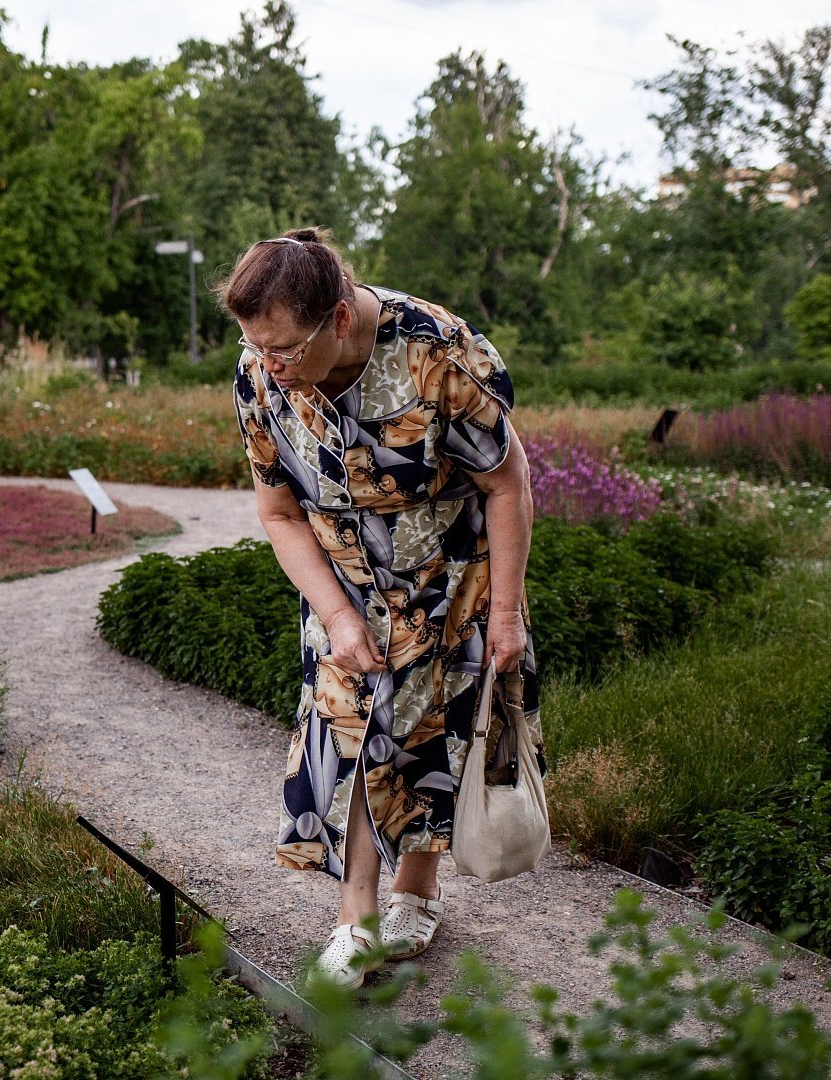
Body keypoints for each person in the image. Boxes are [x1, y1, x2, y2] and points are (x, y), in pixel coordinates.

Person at [220, 229, 541, 989]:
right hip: (343, 583)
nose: (271, 365)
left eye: (287, 349)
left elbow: (507, 484)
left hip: (448, 577)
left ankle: (416, 892)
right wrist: (334, 613)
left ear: (337, 318)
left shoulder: (441, 354)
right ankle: (355, 920)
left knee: (434, 735)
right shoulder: (261, 373)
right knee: (358, 731)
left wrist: (504, 612)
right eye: (255, 345)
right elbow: (278, 512)